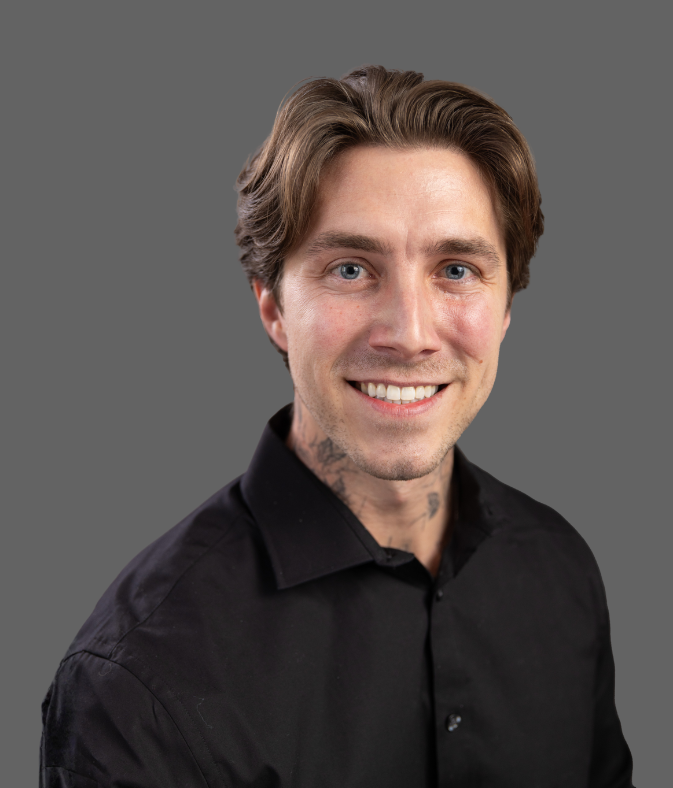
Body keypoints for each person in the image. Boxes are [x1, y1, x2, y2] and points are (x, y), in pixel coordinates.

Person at [40, 65, 634, 787]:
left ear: (506, 306)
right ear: (273, 308)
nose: (409, 335)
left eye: (456, 270)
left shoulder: (560, 568)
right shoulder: (140, 680)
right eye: (351, 269)